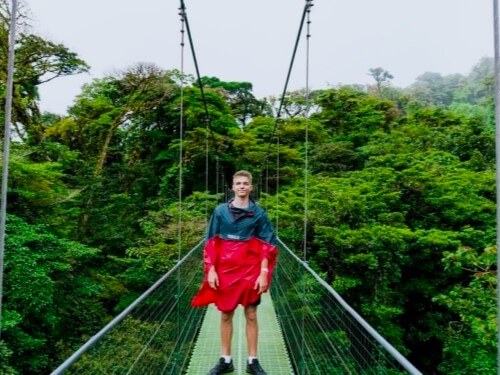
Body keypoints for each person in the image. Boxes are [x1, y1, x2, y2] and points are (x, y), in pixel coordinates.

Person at [192, 170, 278, 375]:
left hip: (250, 269)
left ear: (250, 187)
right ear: (232, 187)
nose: (241, 186)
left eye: (245, 183)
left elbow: (267, 244)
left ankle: (252, 361)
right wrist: (210, 270)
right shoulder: (220, 212)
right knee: (225, 314)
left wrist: (264, 272)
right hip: (225, 270)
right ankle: (225, 360)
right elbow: (211, 242)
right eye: (238, 183)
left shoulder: (259, 213)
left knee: (251, 313)